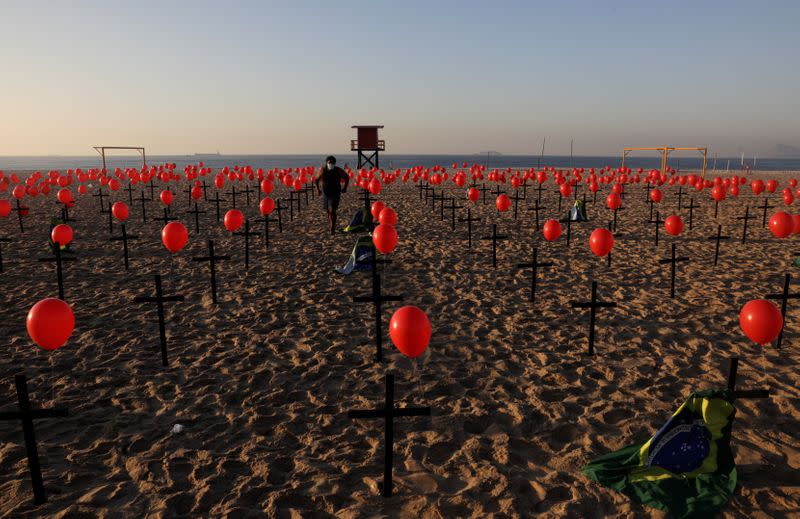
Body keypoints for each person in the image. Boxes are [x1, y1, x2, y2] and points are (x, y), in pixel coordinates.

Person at [314, 155, 349, 235]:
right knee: (327, 211)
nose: (331, 164)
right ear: (326, 163)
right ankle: (331, 224)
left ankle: (332, 228)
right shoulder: (323, 170)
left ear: (335, 163)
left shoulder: (338, 170)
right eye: (329, 162)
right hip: (326, 193)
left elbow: (346, 177)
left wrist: (345, 188)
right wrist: (318, 189)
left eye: (333, 163)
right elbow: (316, 179)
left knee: (332, 210)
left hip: (335, 192)